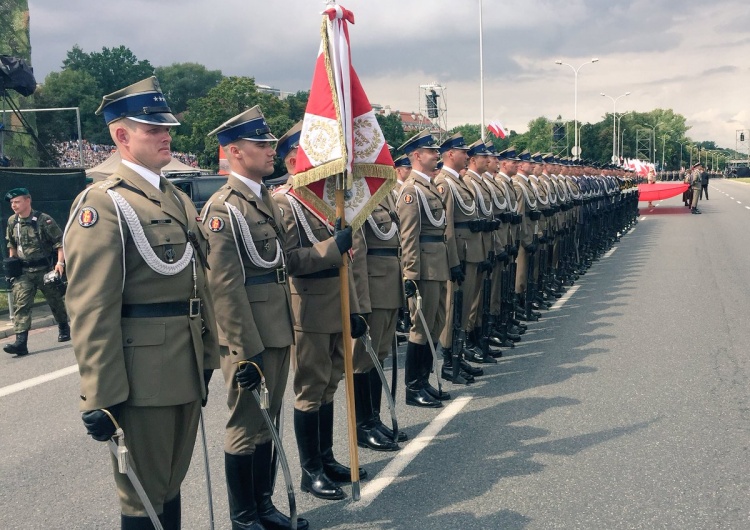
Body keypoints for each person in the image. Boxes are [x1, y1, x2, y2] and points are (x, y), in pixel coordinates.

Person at [64, 76, 220, 529]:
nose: (165, 134)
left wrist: (208, 351)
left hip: (184, 361)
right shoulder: (104, 203)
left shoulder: (171, 194)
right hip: (142, 375)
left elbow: (199, 282)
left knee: (169, 485)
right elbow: (92, 305)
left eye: (165, 127)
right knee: (143, 496)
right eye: (151, 129)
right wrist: (99, 394)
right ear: (121, 136)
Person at [202, 111, 308, 530]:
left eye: (269, 144)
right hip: (250, 339)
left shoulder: (263, 200)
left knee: (268, 420)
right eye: (261, 145)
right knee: (246, 426)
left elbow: (279, 264)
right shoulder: (224, 209)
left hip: (276, 329)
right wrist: (244, 352)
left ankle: (263, 506)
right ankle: (244, 518)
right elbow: (224, 289)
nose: (270, 150)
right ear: (235, 152)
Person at [274, 141, 368, 501]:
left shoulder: (327, 202)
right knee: (310, 389)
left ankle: (326, 458)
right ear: (295, 160)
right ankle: (310, 469)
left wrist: (355, 310)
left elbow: (348, 264)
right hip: (309, 308)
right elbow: (289, 260)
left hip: (337, 303)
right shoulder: (285, 203)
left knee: (330, 384)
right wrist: (332, 246)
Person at [397, 130, 459, 408]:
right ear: (416, 156)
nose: (436, 155)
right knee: (420, 328)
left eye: (436, 151)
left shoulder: (430, 186)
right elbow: (408, 236)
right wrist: (410, 275)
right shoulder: (411, 191)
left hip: (438, 265)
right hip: (424, 269)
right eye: (431, 151)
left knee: (434, 325)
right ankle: (413, 387)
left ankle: (423, 381)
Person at [351, 177, 404, 451]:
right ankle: (363, 425)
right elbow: (357, 253)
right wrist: (359, 303)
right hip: (372, 287)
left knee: (379, 355)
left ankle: (374, 417)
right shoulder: (355, 194)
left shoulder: (383, 194)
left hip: (389, 285)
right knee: (364, 359)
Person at [3, 188, 70, 356]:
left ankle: (63, 327)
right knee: (22, 305)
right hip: (24, 271)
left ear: (27, 201)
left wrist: (60, 263)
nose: (14, 206)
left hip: (45, 270)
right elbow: (11, 244)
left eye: (17, 202)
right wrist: (12, 265)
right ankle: (21, 342)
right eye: (12, 203)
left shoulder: (43, 220)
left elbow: (59, 242)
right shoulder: (13, 222)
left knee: (55, 302)